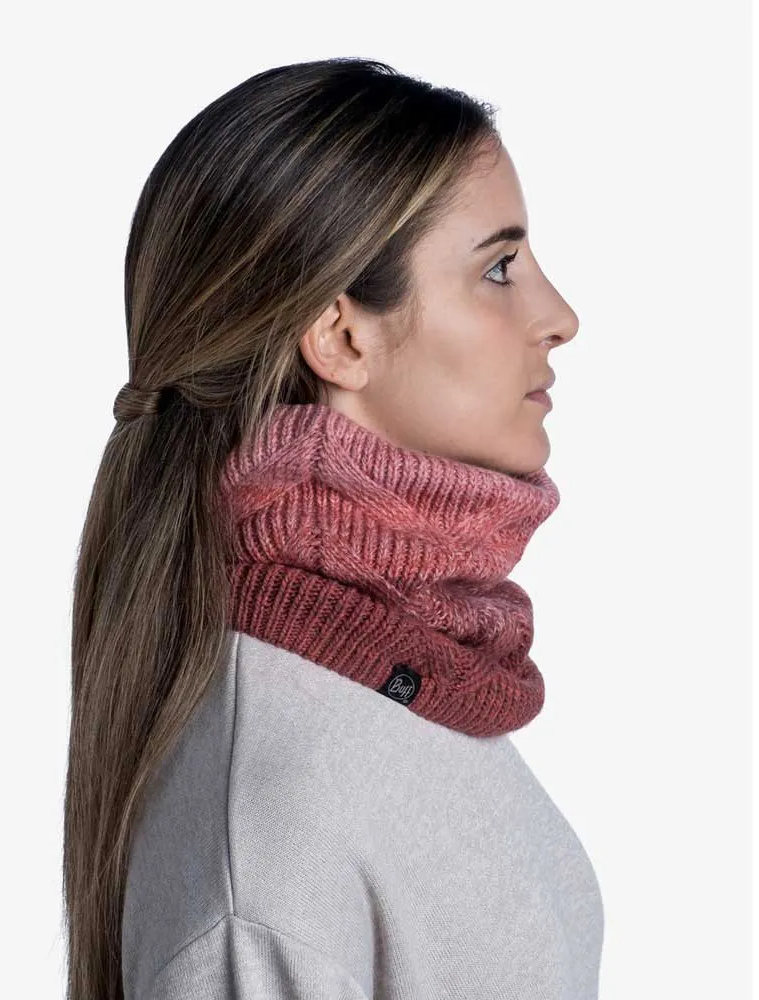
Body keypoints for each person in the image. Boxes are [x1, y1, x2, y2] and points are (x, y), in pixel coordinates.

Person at [63, 56, 602, 1000]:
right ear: (342, 337)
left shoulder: (405, 679)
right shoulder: (273, 821)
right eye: (499, 269)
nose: (560, 317)